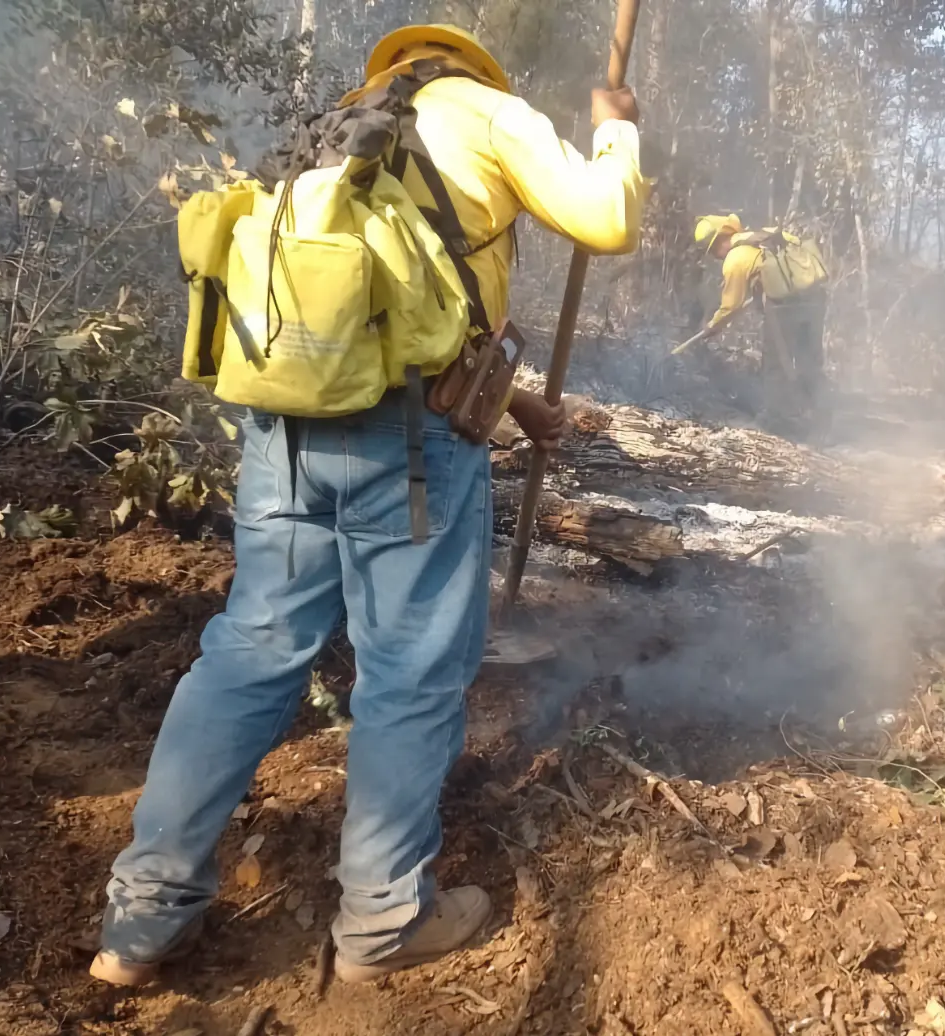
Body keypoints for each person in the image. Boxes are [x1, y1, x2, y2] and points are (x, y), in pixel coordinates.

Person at [91, 24, 644, 987]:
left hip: (283, 428)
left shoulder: (341, 129)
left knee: (249, 654)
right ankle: (385, 921)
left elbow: (381, 310)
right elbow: (606, 219)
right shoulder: (489, 113)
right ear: (475, 67)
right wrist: (616, 129)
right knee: (410, 675)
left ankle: (139, 923)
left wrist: (512, 402)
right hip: (408, 452)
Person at [692, 214, 830, 426]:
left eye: (712, 250)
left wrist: (712, 327)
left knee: (775, 364)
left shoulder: (735, 259)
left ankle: (779, 419)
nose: (714, 256)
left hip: (784, 308)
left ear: (720, 240)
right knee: (809, 359)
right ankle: (822, 415)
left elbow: (731, 306)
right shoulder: (764, 235)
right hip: (815, 299)